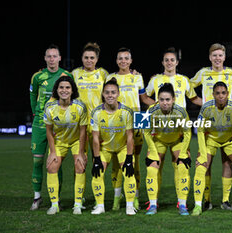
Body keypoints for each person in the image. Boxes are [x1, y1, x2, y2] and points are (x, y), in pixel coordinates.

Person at [145, 47, 202, 207]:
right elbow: (144, 96)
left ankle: (181, 202)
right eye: (166, 60)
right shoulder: (155, 80)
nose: (169, 62)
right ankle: (153, 199)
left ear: (177, 62)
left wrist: (211, 103)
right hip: (159, 130)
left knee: (181, 164)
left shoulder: (184, 80)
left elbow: (194, 98)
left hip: (179, 130)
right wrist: (157, 107)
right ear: (162, 62)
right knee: (155, 165)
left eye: (172, 60)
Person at [190, 43, 232, 210]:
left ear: (224, 57)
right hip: (209, 123)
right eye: (214, 55)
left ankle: (225, 201)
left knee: (227, 163)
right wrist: (202, 103)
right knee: (206, 163)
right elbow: (187, 87)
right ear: (210, 57)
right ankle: (206, 200)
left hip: (228, 122)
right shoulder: (203, 73)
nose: (217, 58)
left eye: (220, 55)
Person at [192, 81, 232, 216]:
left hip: (230, 140)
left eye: (223, 93)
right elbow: (200, 130)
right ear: (213, 94)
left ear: (228, 94)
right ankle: (201, 203)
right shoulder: (206, 107)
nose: (220, 96)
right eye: (217, 93)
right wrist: (201, 154)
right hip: (211, 139)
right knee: (201, 166)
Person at [106, 47, 154, 211]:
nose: (123, 61)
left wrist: (161, 105)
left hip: (138, 118)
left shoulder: (137, 77)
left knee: (135, 162)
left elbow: (144, 99)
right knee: (116, 163)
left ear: (131, 61)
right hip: (117, 121)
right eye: (120, 58)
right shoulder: (110, 77)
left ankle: (134, 197)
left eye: (126, 58)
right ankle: (117, 198)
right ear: (116, 60)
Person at [29, 44, 73, 210]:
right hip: (40, 123)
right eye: (49, 56)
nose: (52, 59)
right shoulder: (38, 77)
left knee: (56, 161)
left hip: (58, 125)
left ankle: (57, 198)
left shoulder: (66, 75)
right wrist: (36, 114)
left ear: (60, 58)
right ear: (45, 58)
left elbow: (72, 96)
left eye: (55, 56)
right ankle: (37, 197)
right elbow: (33, 96)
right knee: (37, 161)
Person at [90, 78, 137, 215]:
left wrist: (129, 157)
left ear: (118, 94)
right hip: (105, 148)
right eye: (107, 92)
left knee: (129, 172)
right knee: (97, 173)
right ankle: (100, 206)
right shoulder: (96, 113)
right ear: (103, 94)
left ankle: (129, 205)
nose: (110, 95)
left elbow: (130, 136)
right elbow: (95, 138)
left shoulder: (126, 112)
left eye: (113, 92)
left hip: (122, 147)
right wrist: (97, 159)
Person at [143, 83, 192, 216]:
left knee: (183, 166)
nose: (165, 103)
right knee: (152, 167)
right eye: (162, 100)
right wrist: (152, 152)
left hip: (177, 140)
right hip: (159, 141)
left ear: (173, 99)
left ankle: (182, 204)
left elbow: (188, 133)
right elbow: (146, 132)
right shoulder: (151, 111)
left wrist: (183, 152)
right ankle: (153, 204)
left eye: (168, 100)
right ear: (158, 100)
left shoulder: (181, 111)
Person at [44, 76, 88, 215]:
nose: (64, 90)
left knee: (80, 166)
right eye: (61, 87)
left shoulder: (80, 107)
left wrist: (81, 153)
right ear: (56, 90)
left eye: (67, 87)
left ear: (72, 90)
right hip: (60, 142)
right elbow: (49, 132)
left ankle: (78, 204)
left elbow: (83, 132)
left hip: (77, 141)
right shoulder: (50, 107)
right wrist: (52, 152)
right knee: (52, 166)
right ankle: (54, 204)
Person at [72, 42, 109, 154]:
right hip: (79, 120)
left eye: (92, 58)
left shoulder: (103, 74)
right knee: (80, 157)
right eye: (86, 57)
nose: (89, 60)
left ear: (97, 59)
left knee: (97, 156)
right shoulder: (75, 73)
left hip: (98, 120)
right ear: (82, 59)